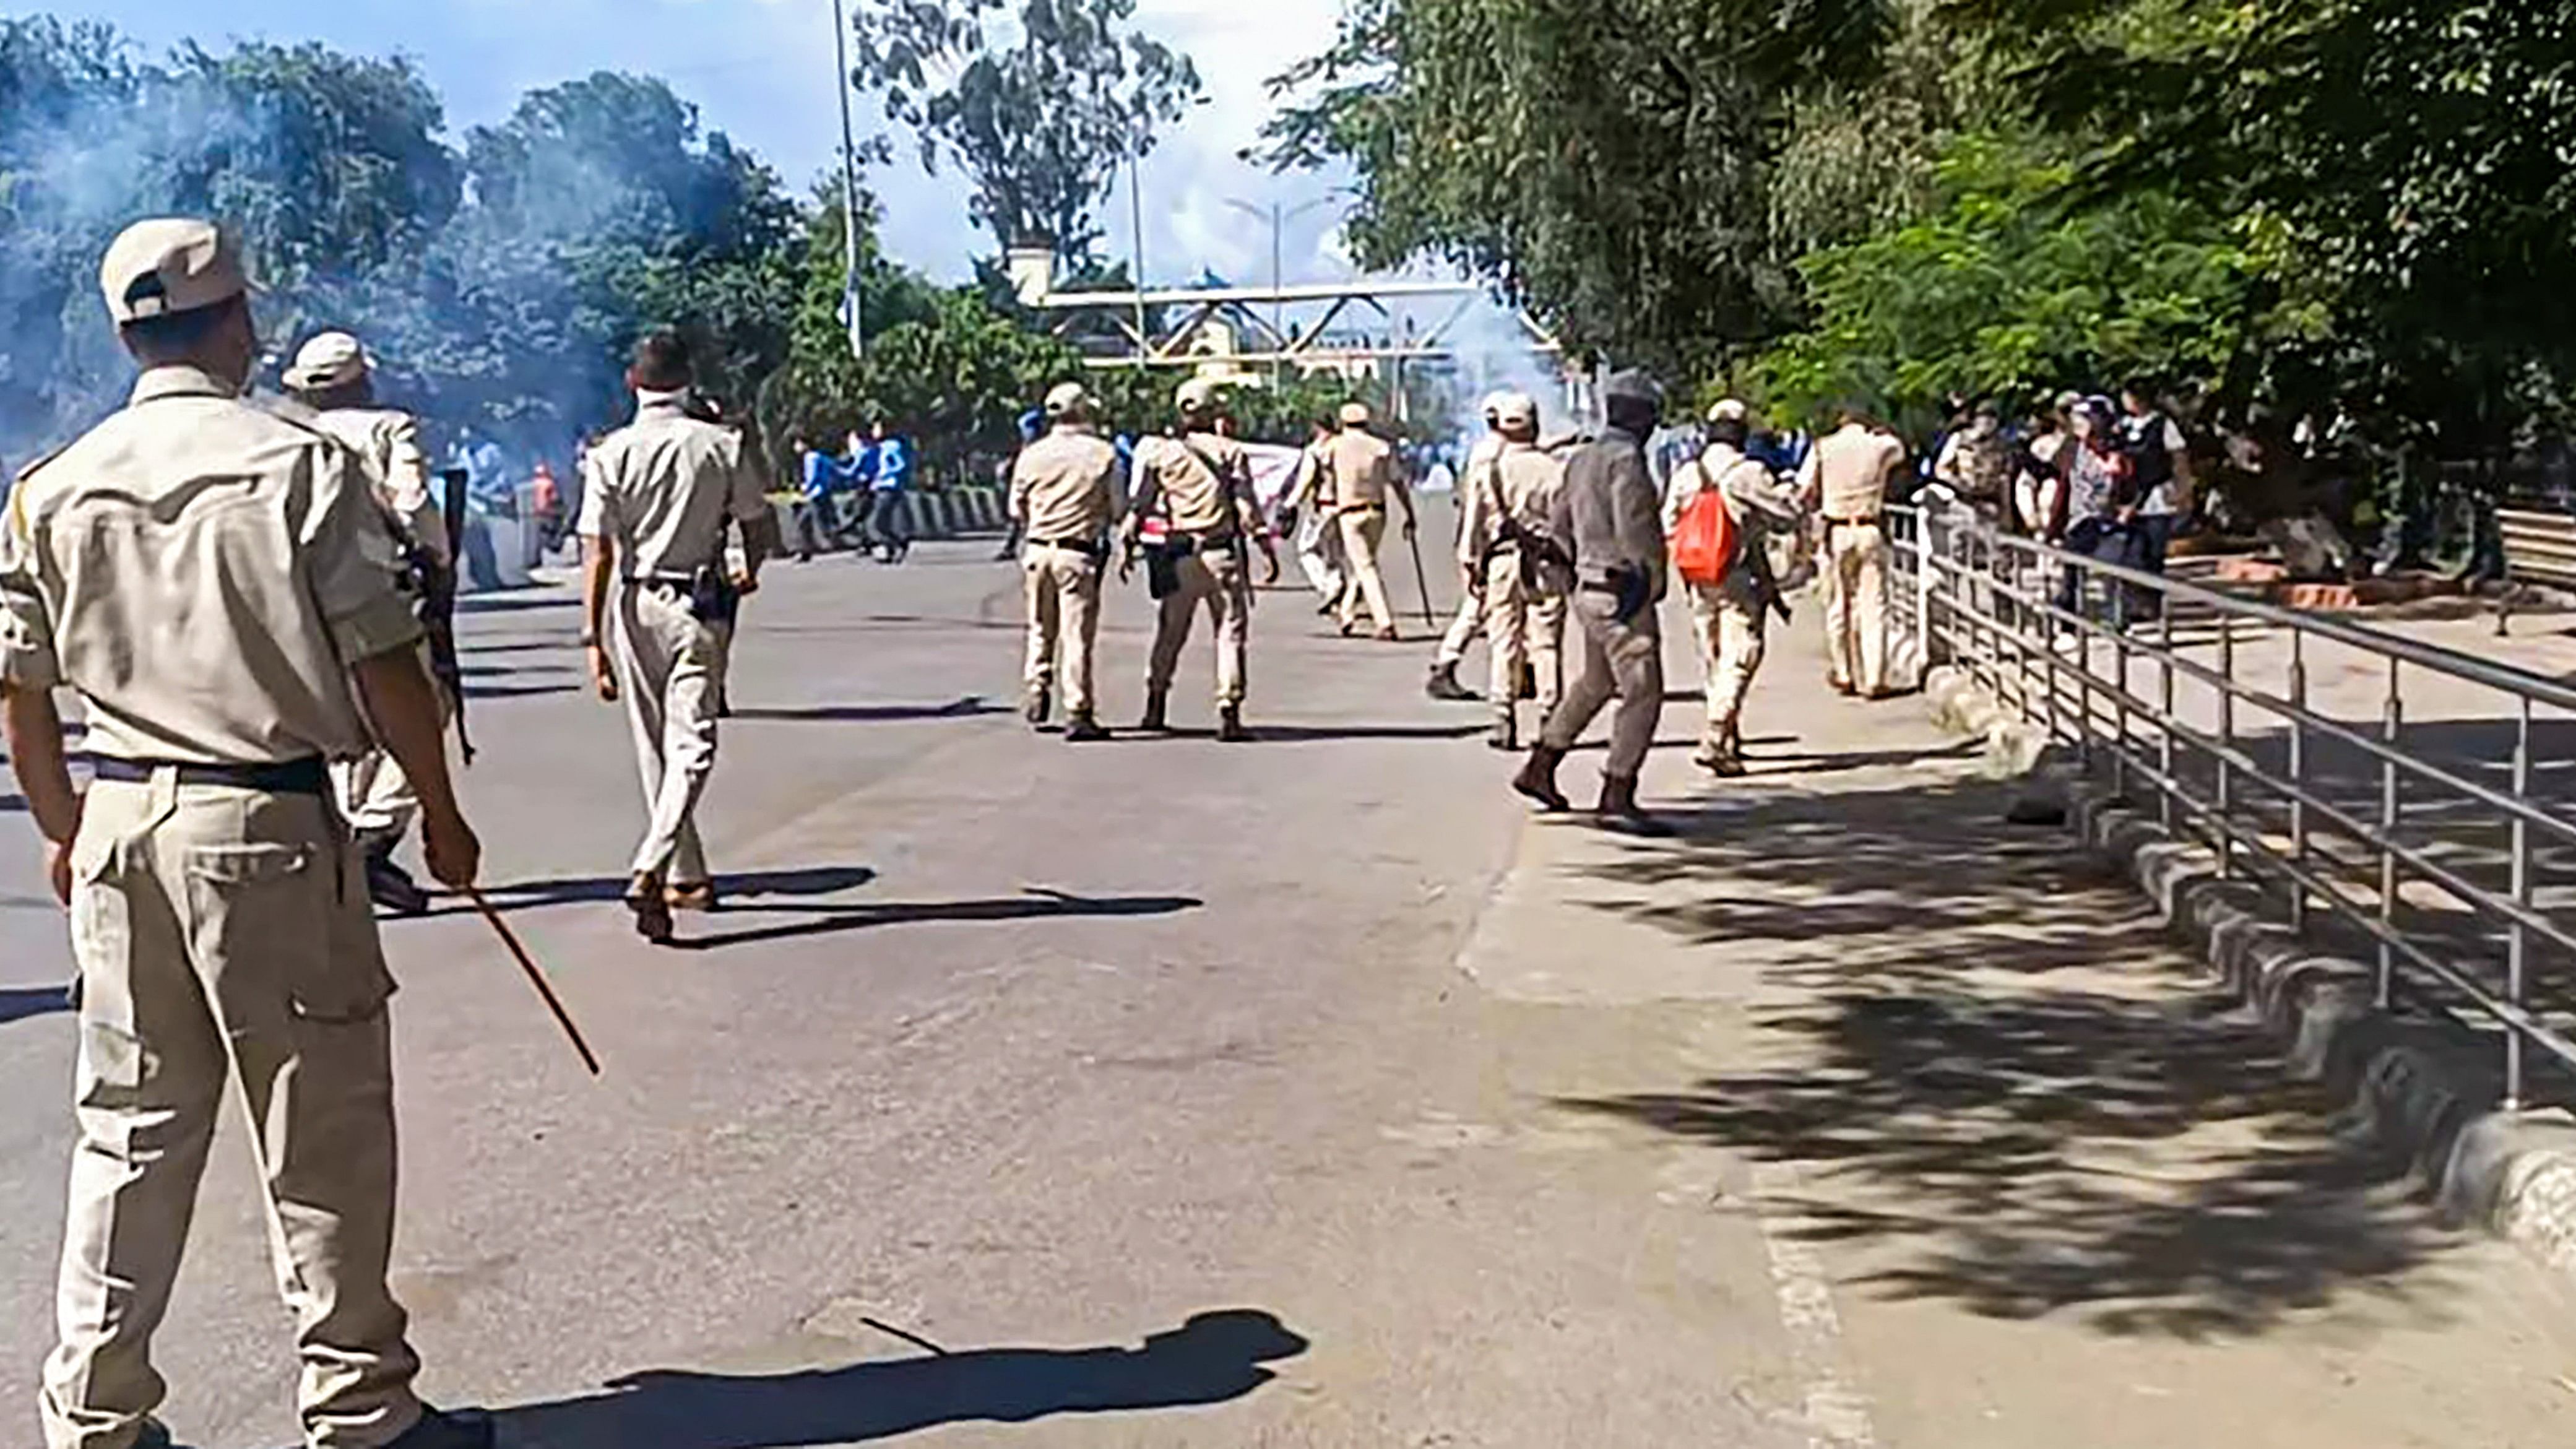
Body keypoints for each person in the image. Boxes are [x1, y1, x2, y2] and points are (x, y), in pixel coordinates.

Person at [3, 218, 490, 1449]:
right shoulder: (298, 464)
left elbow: (21, 692)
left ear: (125, 334)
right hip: (263, 822)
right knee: (316, 1125)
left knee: (128, 1131)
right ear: (234, 324)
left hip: (120, 816)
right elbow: (386, 666)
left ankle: (93, 1418)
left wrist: (66, 829)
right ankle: (360, 1408)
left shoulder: (51, 485)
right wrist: (437, 814)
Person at [578, 331, 771, 943]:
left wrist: (592, 637)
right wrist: (750, 569)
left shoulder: (609, 454)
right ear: (689, 379)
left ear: (632, 383)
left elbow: (598, 548)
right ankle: (655, 864)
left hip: (633, 602)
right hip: (697, 602)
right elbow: (757, 522)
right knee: (693, 745)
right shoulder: (720, 444)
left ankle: (685, 877)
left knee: (656, 747)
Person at [279, 329, 455, 919]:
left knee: (345, 726)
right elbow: (414, 506)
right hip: (381, 592)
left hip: (304, 599)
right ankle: (372, 838)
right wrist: (435, 559)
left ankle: (348, 842)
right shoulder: (390, 428)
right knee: (423, 712)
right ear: (362, 380)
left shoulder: (289, 435)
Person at [1511, 370, 1673, 836]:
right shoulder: (1627, 461)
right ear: (1639, 415)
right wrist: (1652, 581)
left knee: (1596, 682)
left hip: (1586, 587)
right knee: (1643, 691)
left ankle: (1542, 762)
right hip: (1622, 592)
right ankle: (1617, 792)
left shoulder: (1581, 458)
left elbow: (1560, 525)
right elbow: (1636, 528)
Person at [1122, 379, 1277, 742]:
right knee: (1230, 633)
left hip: (1179, 555)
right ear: (1214, 413)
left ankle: (1155, 703)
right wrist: (1264, 546)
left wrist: (1128, 543)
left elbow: (1141, 504)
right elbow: (1246, 508)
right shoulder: (1231, 452)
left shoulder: (1164, 454)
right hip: (1221, 553)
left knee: (1170, 632)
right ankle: (1229, 709)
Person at [1666, 399, 1802, 776]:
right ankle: (1715, 734)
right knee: (1742, 655)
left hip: (1697, 576)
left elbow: (1668, 524)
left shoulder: (1686, 473)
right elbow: (1788, 517)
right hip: (1738, 574)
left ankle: (1729, 738)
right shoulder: (1748, 473)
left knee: (1712, 657)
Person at [1011, 382, 1120, 742]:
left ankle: (1037, 686)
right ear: (1085, 411)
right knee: (1076, 635)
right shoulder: (1103, 454)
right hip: (1078, 553)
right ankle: (1078, 709)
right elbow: (1118, 508)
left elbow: (1016, 508)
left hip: (1037, 549)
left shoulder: (1031, 455)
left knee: (1040, 626)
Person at [1469, 392, 1571, 751]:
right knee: (1546, 644)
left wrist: (1471, 562)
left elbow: (1473, 526)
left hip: (1502, 561)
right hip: (1546, 563)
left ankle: (1503, 715)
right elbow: (1566, 524)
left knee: (1504, 641)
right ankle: (1549, 716)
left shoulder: (1489, 470)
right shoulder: (1556, 471)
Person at [1796, 405, 1908, 699]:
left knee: (1838, 605)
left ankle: (1844, 672)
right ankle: (1875, 677)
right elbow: (1900, 452)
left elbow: (1804, 488)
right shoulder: (1881, 446)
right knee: (1875, 605)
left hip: (1837, 529)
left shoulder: (1823, 447)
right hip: (1871, 527)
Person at [1428, 392, 1515, 703]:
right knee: (1481, 610)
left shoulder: (1483, 450)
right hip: (1494, 543)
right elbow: (1476, 507)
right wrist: (1471, 554)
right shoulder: (1495, 454)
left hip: (1487, 542)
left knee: (1488, 611)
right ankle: (1446, 665)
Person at [1320, 401, 1417, 641]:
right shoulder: (1380, 447)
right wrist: (1409, 513)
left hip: (1349, 512)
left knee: (1365, 567)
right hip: (1377, 511)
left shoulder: (1334, 446)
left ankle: (1384, 622)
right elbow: (1397, 482)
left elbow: (1325, 475)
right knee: (1364, 564)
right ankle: (1347, 612)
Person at [2120, 381, 2194, 614]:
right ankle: (2132, 603)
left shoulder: (2163, 425)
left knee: (2153, 554)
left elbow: (2179, 458)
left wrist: (2183, 490)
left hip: (2157, 497)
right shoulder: (2122, 426)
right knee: (2131, 554)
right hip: (2128, 499)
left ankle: (2151, 605)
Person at [1280, 416, 1349, 615]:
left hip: (1324, 507)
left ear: (1316, 427)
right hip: (1346, 507)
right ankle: (1338, 586)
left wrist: (1289, 505)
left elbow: (1305, 482)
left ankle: (1329, 586)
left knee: (1307, 550)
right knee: (1335, 554)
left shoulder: (1315, 451)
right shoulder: (1345, 447)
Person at [790, 431, 859, 561]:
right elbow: (837, 470)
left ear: (805, 444)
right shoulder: (820, 456)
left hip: (816, 495)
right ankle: (805, 550)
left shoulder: (811, 458)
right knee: (810, 522)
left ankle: (853, 537)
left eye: (798, 443)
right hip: (823, 494)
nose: (796, 447)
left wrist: (804, 488)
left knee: (818, 524)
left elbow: (813, 477)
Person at [863, 420, 912, 563]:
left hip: (889, 487)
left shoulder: (893, 446)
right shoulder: (881, 447)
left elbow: (901, 465)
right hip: (881, 487)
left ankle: (896, 543)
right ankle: (892, 549)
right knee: (882, 522)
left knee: (874, 523)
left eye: (877, 428)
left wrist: (884, 475)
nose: (874, 431)